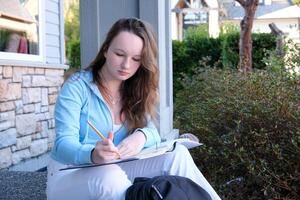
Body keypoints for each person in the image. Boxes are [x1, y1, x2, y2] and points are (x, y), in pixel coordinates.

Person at [46, 18, 221, 200]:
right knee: (110, 177)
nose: (126, 65)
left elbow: (153, 132)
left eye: (136, 59)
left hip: (117, 165)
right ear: (106, 49)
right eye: (120, 54)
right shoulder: (76, 87)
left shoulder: (134, 88)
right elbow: (63, 144)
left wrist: (141, 136)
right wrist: (92, 154)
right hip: (69, 174)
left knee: (178, 155)